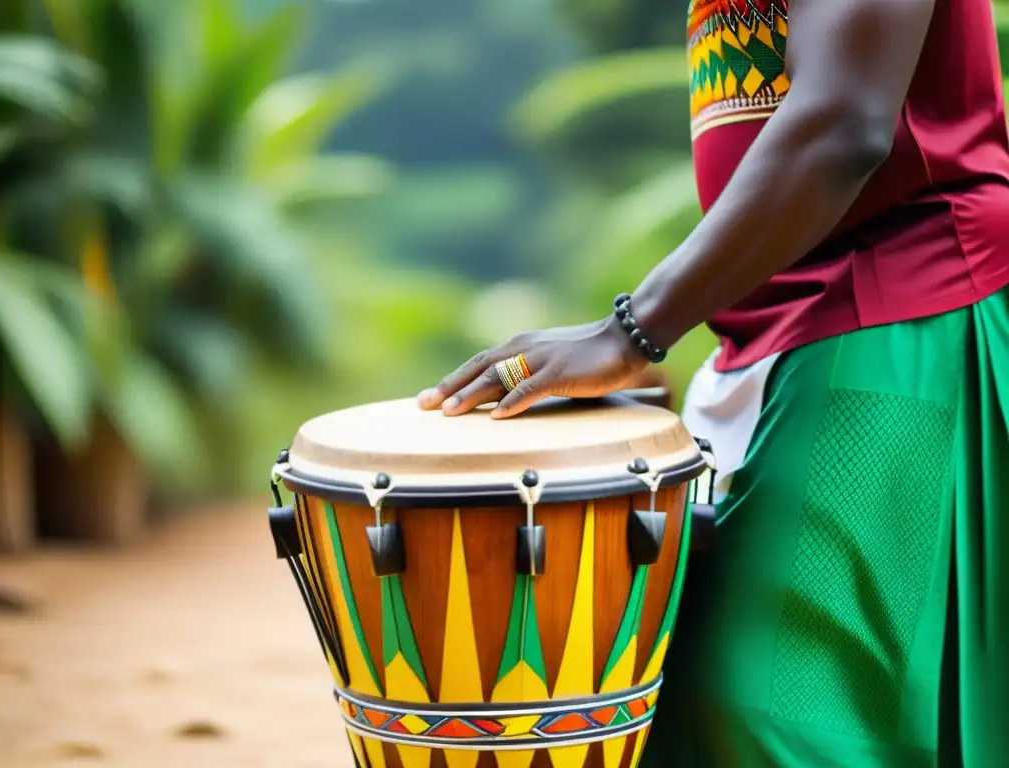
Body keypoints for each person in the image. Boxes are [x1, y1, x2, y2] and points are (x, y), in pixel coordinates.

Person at [417, 0, 1009, 765]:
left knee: (779, 717)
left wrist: (630, 332)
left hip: (900, 315)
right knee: (693, 709)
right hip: (770, 337)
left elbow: (843, 122)